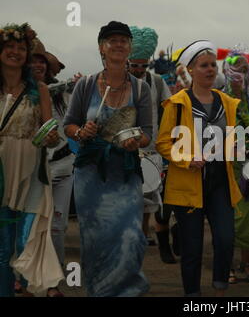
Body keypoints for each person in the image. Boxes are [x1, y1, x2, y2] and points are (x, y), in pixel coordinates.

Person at [63, 21, 152, 297]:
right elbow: (68, 126)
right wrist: (81, 132)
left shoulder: (140, 89)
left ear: (130, 48)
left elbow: (149, 134)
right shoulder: (86, 86)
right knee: (97, 241)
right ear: (102, 47)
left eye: (123, 40)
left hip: (125, 174)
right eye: (112, 40)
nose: (118, 44)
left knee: (130, 236)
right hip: (91, 176)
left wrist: (136, 141)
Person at [156, 40, 242, 296]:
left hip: (220, 183)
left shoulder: (227, 102)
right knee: (192, 248)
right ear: (190, 69)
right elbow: (163, 143)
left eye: (212, 65)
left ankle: (219, 293)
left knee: (225, 241)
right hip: (188, 183)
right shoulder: (177, 103)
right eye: (203, 65)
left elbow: (230, 137)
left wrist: (234, 147)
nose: (210, 69)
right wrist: (187, 158)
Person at [0, 23, 63, 297]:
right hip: (1, 175)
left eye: (22, 48)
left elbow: (51, 131)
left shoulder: (40, 90)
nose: (16, 52)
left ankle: (29, 290)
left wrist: (50, 138)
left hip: (31, 175)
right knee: (2, 249)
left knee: (28, 241)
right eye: (10, 47)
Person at [128, 25, 179, 263]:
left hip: (151, 150)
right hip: (124, 149)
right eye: (134, 65)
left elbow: (170, 109)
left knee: (149, 204)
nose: (139, 70)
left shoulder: (157, 82)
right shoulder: (119, 81)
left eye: (142, 65)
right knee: (129, 205)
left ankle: (144, 246)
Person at [30, 38, 73, 297]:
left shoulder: (61, 93)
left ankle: (54, 276)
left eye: (41, 61)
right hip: (33, 169)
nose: (37, 65)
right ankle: (26, 274)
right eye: (33, 60)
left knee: (58, 225)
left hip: (64, 166)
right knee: (32, 223)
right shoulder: (21, 94)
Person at [222, 49, 249, 284]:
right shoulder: (219, 97)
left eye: (242, 70)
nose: (237, 74)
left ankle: (247, 262)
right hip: (229, 163)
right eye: (232, 70)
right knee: (229, 214)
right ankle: (226, 264)